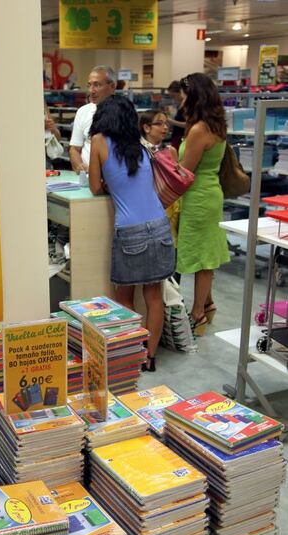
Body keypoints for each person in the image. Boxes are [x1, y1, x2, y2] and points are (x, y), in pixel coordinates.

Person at [89, 95, 175, 371]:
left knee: (124, 296)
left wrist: (107, 182)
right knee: (153, 296)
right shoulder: (140, 145)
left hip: (130, 230)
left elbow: (93, 186)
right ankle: (149, 358)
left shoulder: (99, 142)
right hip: (160, 226)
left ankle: (131, 352)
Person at [177, 73, 230, 335]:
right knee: (207, 254)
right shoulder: (216, 126)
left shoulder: (198, 130)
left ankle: (197, 314)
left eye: (184, 94)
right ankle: (207, 305)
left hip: (197, 197)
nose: (181, 100)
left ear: (194, 96)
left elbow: (185, 172)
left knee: (200, 258)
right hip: (210, 194)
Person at [139, 109, 180, 246]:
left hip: (167, 206)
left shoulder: (170, 151)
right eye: (160, 123)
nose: (165, 127)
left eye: (166, 123)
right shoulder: (136, 151)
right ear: (146, 128)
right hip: (143, 207)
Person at [69, 66, 116, 172]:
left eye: (97, 85)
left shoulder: (123, 112)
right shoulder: (83, 112)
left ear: (112, 86)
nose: (91, 90)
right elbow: (74, 148)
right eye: (89, 85)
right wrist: (79, 165)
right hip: (88, 176)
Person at [167, 80, 186, 152]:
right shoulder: (180, 104)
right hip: (176, 136)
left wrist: (171, 121)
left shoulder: (186, 105)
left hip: (181, 137)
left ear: (180, 92)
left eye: (173, 96)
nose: (173, 98)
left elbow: (188, 124)